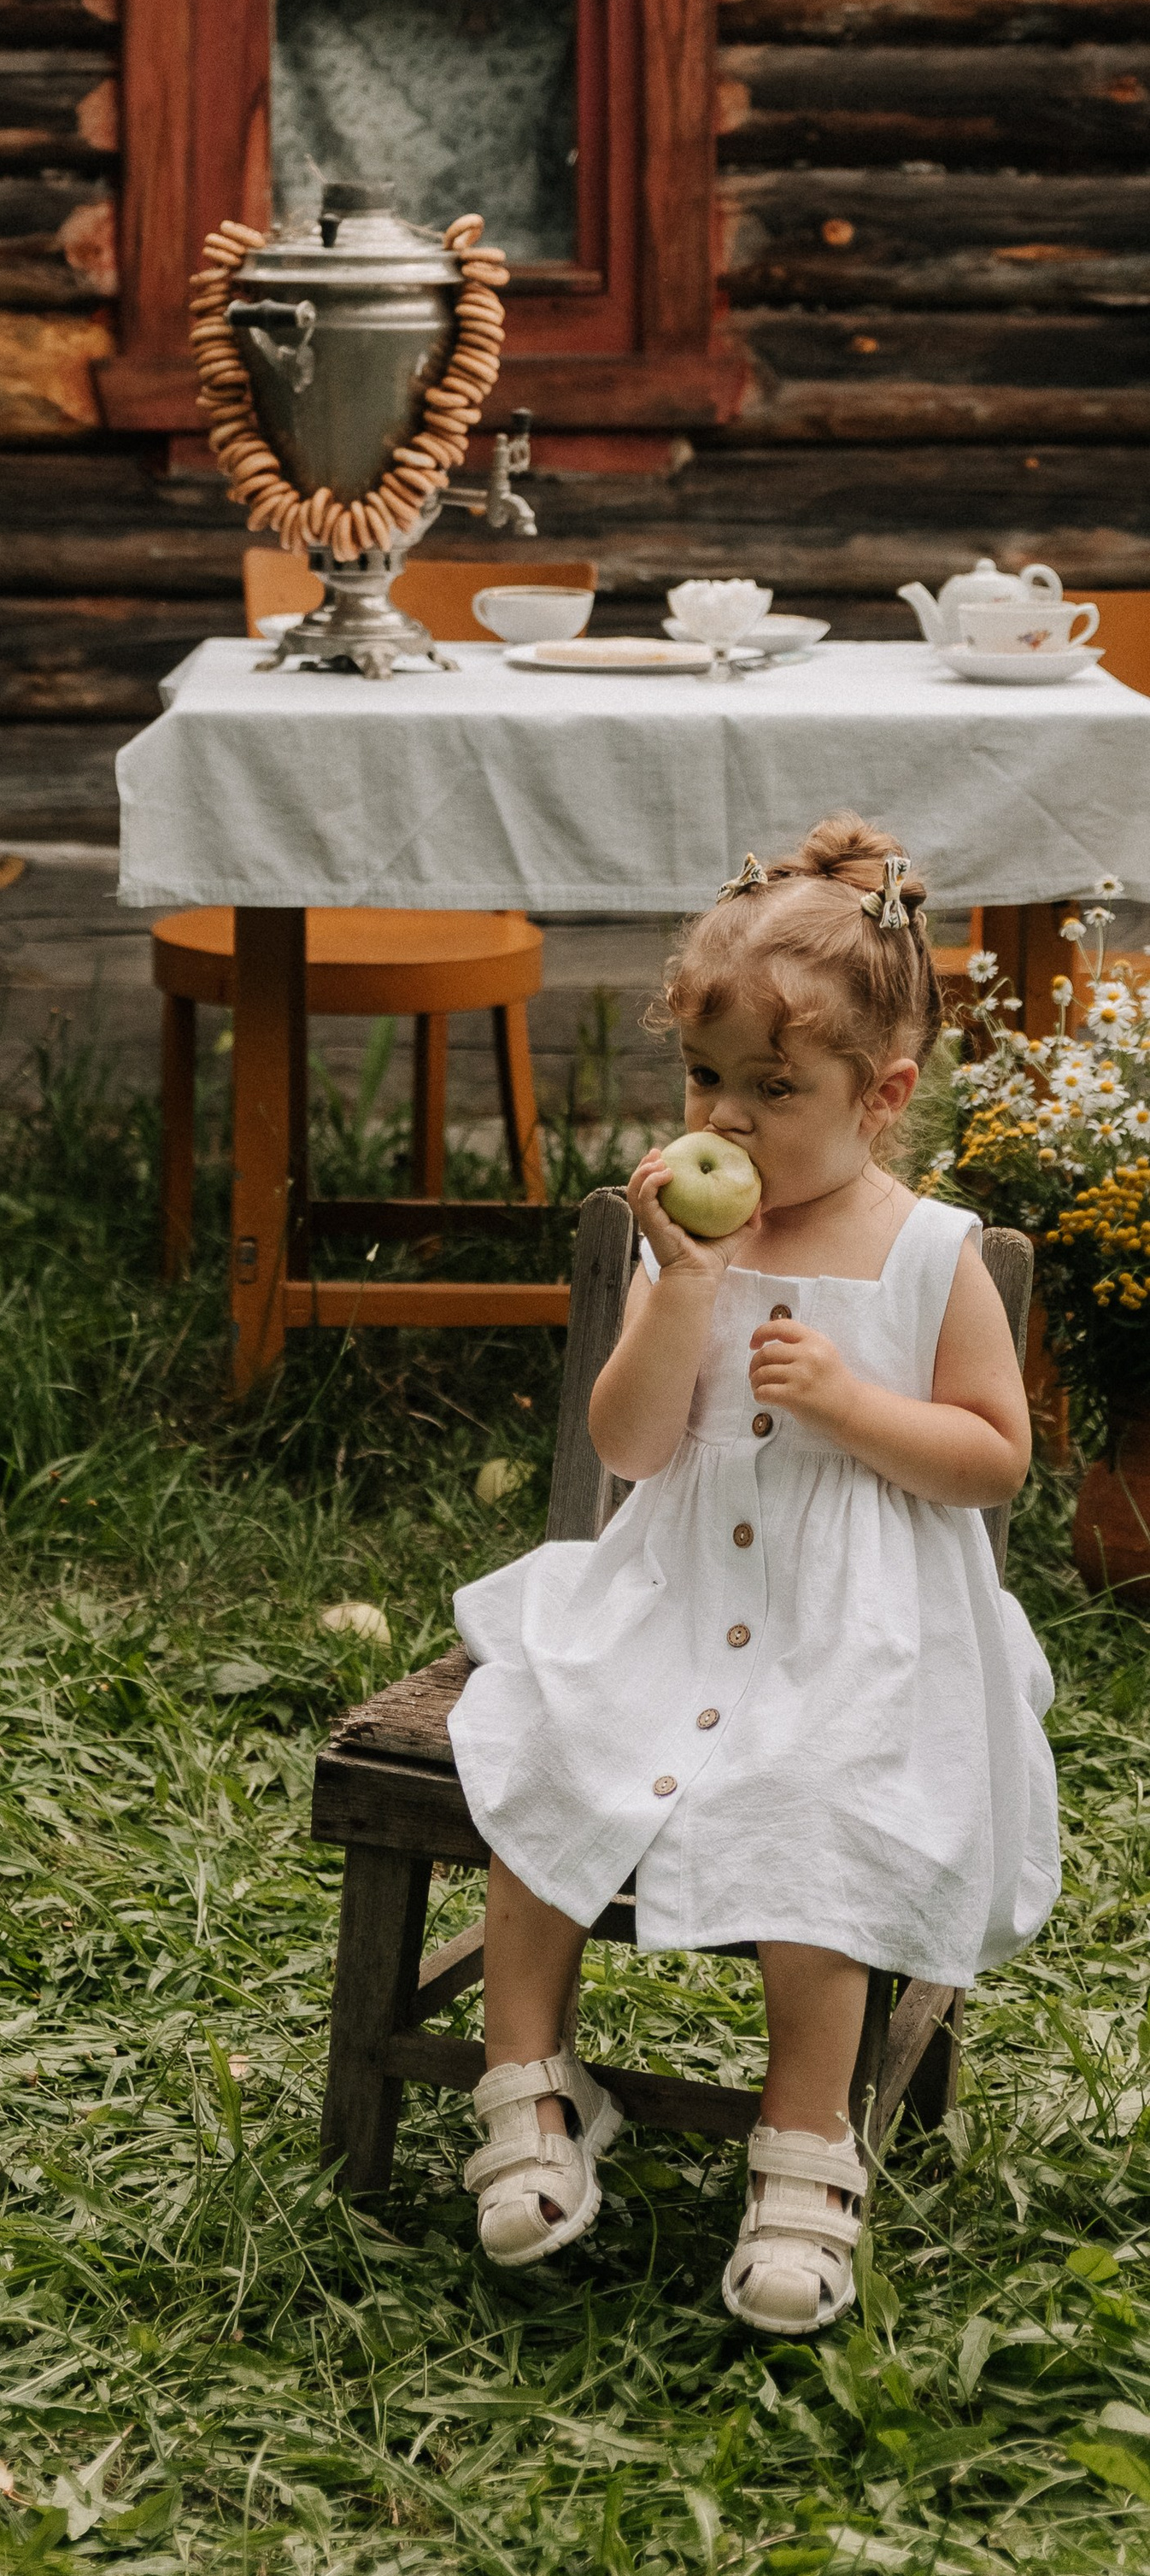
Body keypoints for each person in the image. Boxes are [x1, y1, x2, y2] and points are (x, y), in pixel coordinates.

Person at [447, 816, 1059, 2334]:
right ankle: (528, 2083)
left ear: (884, 1094)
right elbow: (637, 1449)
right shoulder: (687, 1249)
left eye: (775, 1091)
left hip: (854, 1628)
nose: (728, 1116)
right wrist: (683, 1300)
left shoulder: (932, 1256)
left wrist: (852, 1405)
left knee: (821, 1814)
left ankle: (805, 2142)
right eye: (707, 1081)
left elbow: (994, 1458)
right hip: (670, 1602)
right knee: (551, 1754)